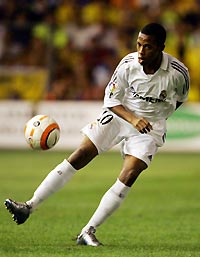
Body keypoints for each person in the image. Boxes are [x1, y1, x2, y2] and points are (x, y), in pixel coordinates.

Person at [4, 23, 190, 246]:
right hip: (121, 114)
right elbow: (111, 100)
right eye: (139, 44)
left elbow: (179, 99)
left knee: (130, 174)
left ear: (161, 47)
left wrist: (156, 117)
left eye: (147, 47)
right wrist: (132, 118)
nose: (141, 51)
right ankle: (29, 206)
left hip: (149, 127)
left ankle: (88, 231)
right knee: (81, 154)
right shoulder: (128, 64)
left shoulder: (179, 74)